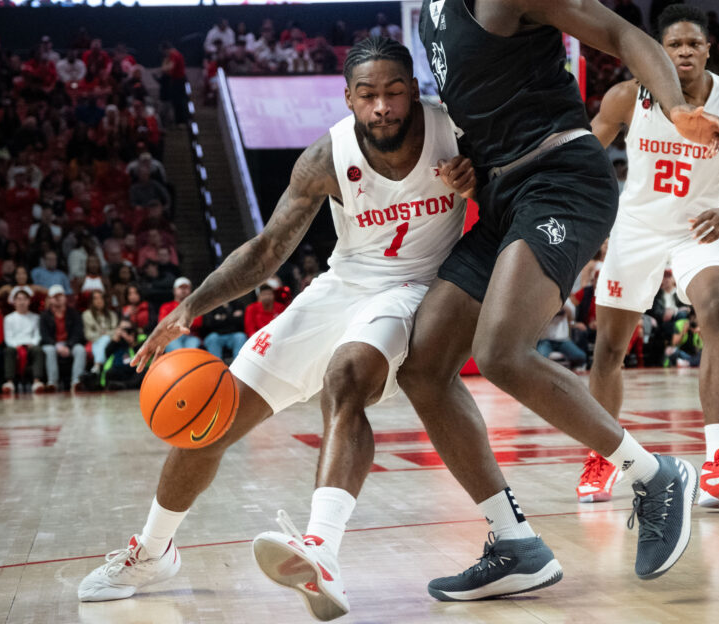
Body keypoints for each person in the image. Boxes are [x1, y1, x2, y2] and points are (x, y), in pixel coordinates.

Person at [396, 0, 719, 596]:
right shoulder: (433, 8)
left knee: (502, 353)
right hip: (506, 193)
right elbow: (488, 110)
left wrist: (675, 108)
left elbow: (620, 33)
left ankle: (653, 474)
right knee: (422, 365)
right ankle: (515, 544)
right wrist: (471, 165)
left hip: (562, 180)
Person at [77, 37, 472, 620]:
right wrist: (191, 308)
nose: (382, 106)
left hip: (414, 288)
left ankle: (322, 550)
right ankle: (153, 549)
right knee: (210, 418)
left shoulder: (456, 134)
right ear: (348, 98)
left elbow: (515, 187)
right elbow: (267, 251)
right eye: (367, 95)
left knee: (347, 376)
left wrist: (477, 181)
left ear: (412, 90)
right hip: (342, 286)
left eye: (393, 92)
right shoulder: (326, 157)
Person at [581, 4, 719, 506]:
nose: (684, 51)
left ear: (709, 49)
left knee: (715, 315)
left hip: (701, 230)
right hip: (636, 229)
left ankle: (718, 461)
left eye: (693, 44)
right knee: (608, 351)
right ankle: (603, 457)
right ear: (657, 52)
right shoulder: (627, 96)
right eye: (673, 45)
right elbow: (579, 155)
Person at [41, 285, 87, 390]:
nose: (57, 299)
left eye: (60, 296)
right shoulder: (44, 316)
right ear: (50, 299)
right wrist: (56, 346)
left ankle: (76, 382)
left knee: (80, 349)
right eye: (54, 296)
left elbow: (78, 334)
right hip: (52, 344)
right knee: (49, 350)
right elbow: (44, 336)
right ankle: (52, 383)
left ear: (65, 298)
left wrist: (68, 346)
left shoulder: (74, 314)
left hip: (69, 344)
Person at [2, 288, 46, 393]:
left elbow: (37, 335)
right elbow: (8, 338)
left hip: (30, 345)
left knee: (38, 350)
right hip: (15, 346)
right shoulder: (8, 318)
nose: (22, 302)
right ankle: (9, 382)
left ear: (29, 301)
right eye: (19, 299)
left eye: (24, 299)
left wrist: (32, 343)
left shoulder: (36, 317)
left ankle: (37, 381)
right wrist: (17, 346)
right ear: (14, 302)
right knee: (9, 351)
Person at [159, 277, 202, 352]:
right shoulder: (166, 306)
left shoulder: (194, 306)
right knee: (177, 350)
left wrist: (175, 321)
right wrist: (186, 321)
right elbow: (163, 323)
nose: (183, 290)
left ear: (190, 290)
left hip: (191, 336)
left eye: (186, 287)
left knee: (191, 349)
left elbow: (198, 323)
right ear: (174, 290)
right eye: (181, 287)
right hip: (171, 337)